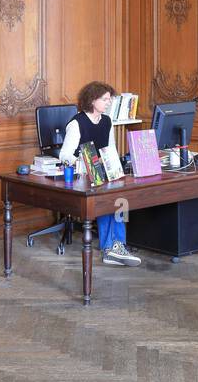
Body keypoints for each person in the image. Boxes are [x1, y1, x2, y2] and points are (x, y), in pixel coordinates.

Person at [58, 81, 141, 267]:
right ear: (92, 100)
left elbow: (109, 148)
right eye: (105, 99)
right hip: (83, 175)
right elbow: (65, 155)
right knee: (106, 198)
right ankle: (111, 248)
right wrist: (83, 163)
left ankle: (117, 245)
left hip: (102, 173)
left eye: (109, 99)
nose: (108, 103)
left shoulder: (106, 121)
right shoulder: (77, 123)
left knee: (121, 198)